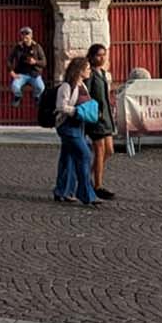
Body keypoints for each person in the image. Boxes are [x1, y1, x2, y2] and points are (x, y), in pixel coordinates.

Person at [51, 57, 102, 207]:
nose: (89, 71)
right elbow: (61, 107)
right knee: (84, 154)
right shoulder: (66, 87)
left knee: (68, 159)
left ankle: (62, 191)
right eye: (86, 68)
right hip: (67, 127)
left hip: (79, 127)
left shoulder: (83, 87)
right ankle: (87, 194)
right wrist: (77, 111)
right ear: (79, 70)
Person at [85, 44, 118, 200]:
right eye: (99, 55)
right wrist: (93, 110)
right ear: (92, 57)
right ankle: (97, 186)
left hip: (106, 118)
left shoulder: (103, 73)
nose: (102, 58)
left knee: (109, 150)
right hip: (96, 118)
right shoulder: (90, 74)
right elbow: (86, 94)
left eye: (104, 54)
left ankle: (86, 175)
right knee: (99, 150)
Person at [8, 27, 46, 107]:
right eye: (23, 34)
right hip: (21, 73)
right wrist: (11, 72)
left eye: (27, 34)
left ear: (31, 35)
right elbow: (9, 59)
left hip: (34, 74)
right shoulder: (18, 47)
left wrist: (35, 62)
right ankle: (18, 96)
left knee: (41, 87)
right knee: (15, 86)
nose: (25, 36)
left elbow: (44, 62)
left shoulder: (37, 47)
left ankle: (36, 96)